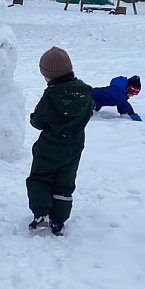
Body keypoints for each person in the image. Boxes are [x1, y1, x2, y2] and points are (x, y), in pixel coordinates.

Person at [26, 46, 94, 236]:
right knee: (65, 182)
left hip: (49, 147)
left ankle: (41, 214)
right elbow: (88, 114)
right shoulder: (85, 93)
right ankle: (59, 220)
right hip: (74, 148)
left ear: (49, 75)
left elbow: (38, 121)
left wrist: (35, 118)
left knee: (40, 178)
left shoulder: (51, 95)